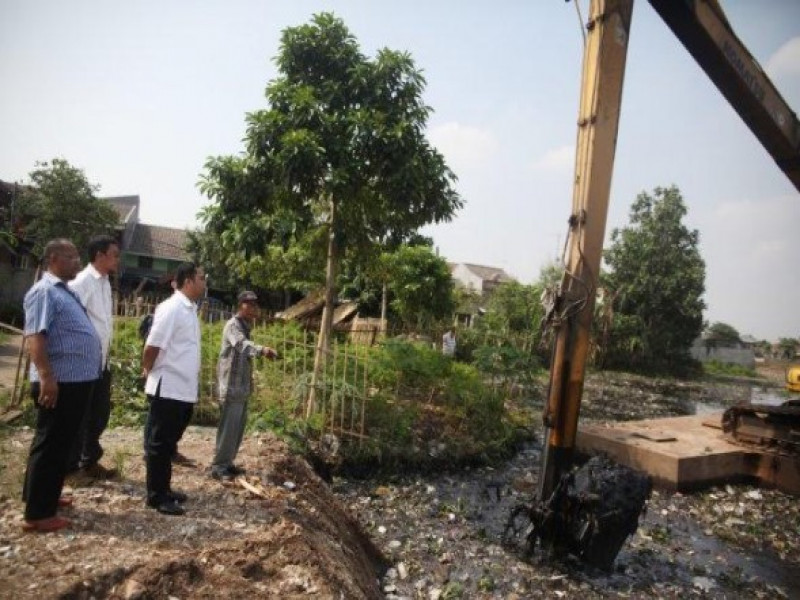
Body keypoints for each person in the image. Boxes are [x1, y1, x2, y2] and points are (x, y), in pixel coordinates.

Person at [21, 239, 102, 532]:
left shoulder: (63, 291)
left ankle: (44, 496)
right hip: (59, 382)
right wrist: (46, 376)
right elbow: (35, 337)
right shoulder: (44, 292)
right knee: (51, 443)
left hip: (74, 381)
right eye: (72, 256)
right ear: (54, 258)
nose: (78, 262)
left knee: (61, 443)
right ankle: (38, 513)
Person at [141, 262, 205, 516]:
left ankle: (164, 489)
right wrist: (148, 370)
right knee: (159, 444)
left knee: (168, 444)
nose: (204, 282)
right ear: (188, 281)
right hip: (168, 386)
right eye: (201, 277)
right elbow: (152, 346)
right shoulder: (171, 308)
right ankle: (156, 497)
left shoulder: (189, 309)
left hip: (182, 388)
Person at [67, 234, 120, 478]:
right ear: (99, 256)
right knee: (79, 416)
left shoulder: (105, 281)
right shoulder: (82, 282)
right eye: (114, 255)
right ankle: (73, 467)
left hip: (101, 361)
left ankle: (89, 459)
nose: (117, 261)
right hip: (84, 361)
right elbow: (70, 321)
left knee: (99, 414)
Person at [211, 291, 276, 481]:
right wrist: (262, 350)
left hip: (241, 388)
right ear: (240, 306)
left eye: (255, 305)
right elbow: (241, 345)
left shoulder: (245, 326)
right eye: (249, 304)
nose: (253, 308)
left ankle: (228, 463)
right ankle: (218, 467)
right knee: (228, 428)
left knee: (237, 429)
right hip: (231, 387)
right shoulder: (233, 326)